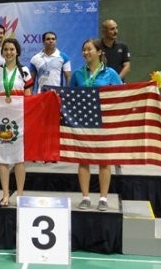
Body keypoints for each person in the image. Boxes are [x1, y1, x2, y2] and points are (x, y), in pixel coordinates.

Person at [69, 39, 123, 211]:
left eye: (89, 49)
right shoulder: (78, 74)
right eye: (83, 50)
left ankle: (103, 198)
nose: (85, 52)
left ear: (99, 52)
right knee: (83, 160)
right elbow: (69, 97)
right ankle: (85, 197)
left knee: (104, 161)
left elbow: (121, 95)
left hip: (105, 121)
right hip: (83, 121)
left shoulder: (111, 73)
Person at [0, 38, 33, 207]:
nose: (8, 52)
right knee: (2, 158)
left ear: (17, 51)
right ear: (2, 52)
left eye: (12, 49)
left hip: (19, 121)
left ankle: (20, 195)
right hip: (0, 122)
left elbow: (29, 98)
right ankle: (5, 194)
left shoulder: (25, 71)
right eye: (5, 49)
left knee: (20, 159)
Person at [100, 19, 130, 175]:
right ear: (104, 31)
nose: (115, 31)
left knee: (119, 121)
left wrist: (115, 80)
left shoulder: (122, 47)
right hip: (101, 90)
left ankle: (118, 154)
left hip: (118, 89)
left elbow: (127, 65)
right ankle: (104, 152)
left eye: (116, 28)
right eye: (111, 29)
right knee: (105, 122)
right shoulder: (98, 47)